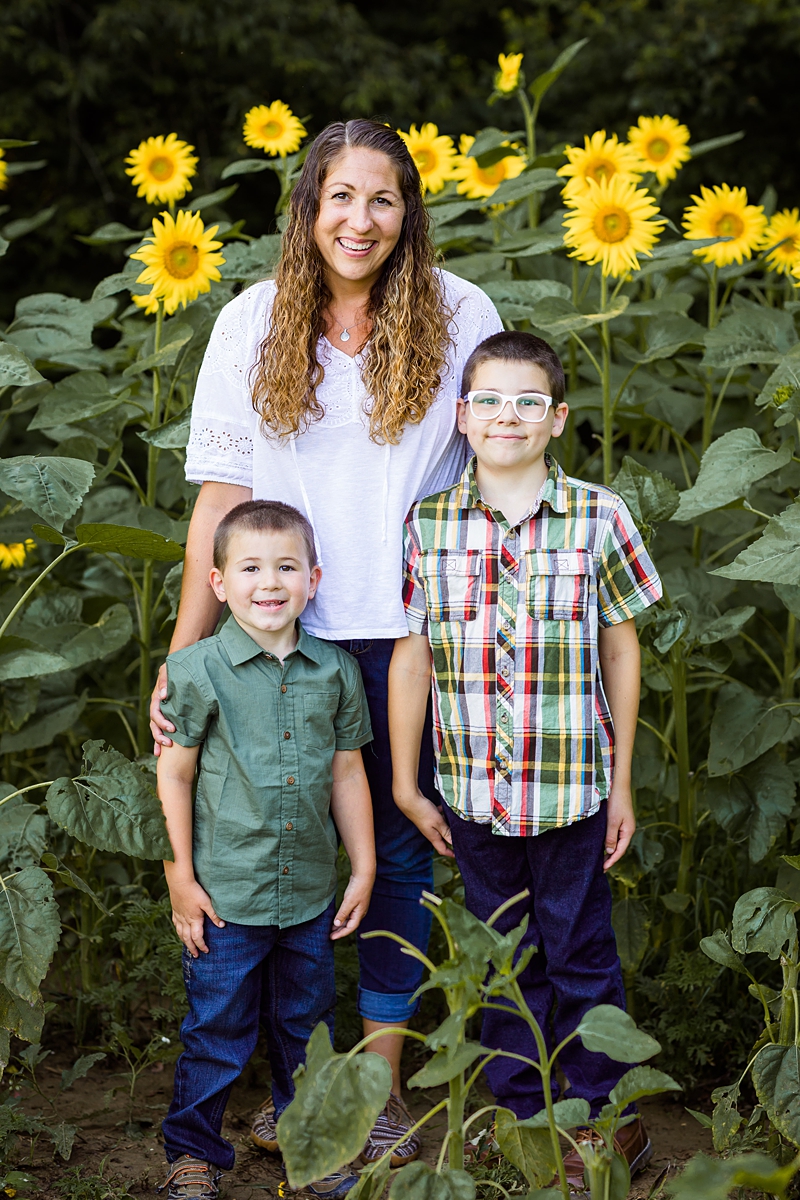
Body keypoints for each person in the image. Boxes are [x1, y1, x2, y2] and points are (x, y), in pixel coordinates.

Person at [149, 118, 503, 1163]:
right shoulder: (250, 322)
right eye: (341, 196)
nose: (361, 219)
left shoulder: (459, 313)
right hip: (280, 642)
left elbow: (495, 464)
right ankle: (294, 1089)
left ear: (409, 213)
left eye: (383, 198)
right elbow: (221, 498)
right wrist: (183, 650)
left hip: (413, 639)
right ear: (307, 206)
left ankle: (376, 1092)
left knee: (395, 857)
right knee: (277, 856)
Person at [388, 331, 662, 1188]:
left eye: (529, 403)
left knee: (581, 953)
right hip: (472, 791)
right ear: (462, 417)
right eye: (490, 401)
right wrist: (405, 782)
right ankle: (519, 1120)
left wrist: (621, 782)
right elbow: (414, 657)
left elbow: (620, 649)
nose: (508, 416)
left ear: (558, 418)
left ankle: (605, 1122)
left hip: (572, 789)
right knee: (503, 958)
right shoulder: (429, 523)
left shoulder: (599, 516)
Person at [157, 500, 375, 1200]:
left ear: (314, 579)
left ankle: (312, 1149)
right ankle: (192, 1153)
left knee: (306, 1030)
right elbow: (174, 775)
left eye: (286, 566)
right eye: (250, 568)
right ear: (218, 583)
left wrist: (364, 864)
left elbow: (347, 772)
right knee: (216, 1031)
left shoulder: (335, 671)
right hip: (225, 896)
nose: (270, 582)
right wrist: (180, 878)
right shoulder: (196, 671)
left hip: (308, 892)